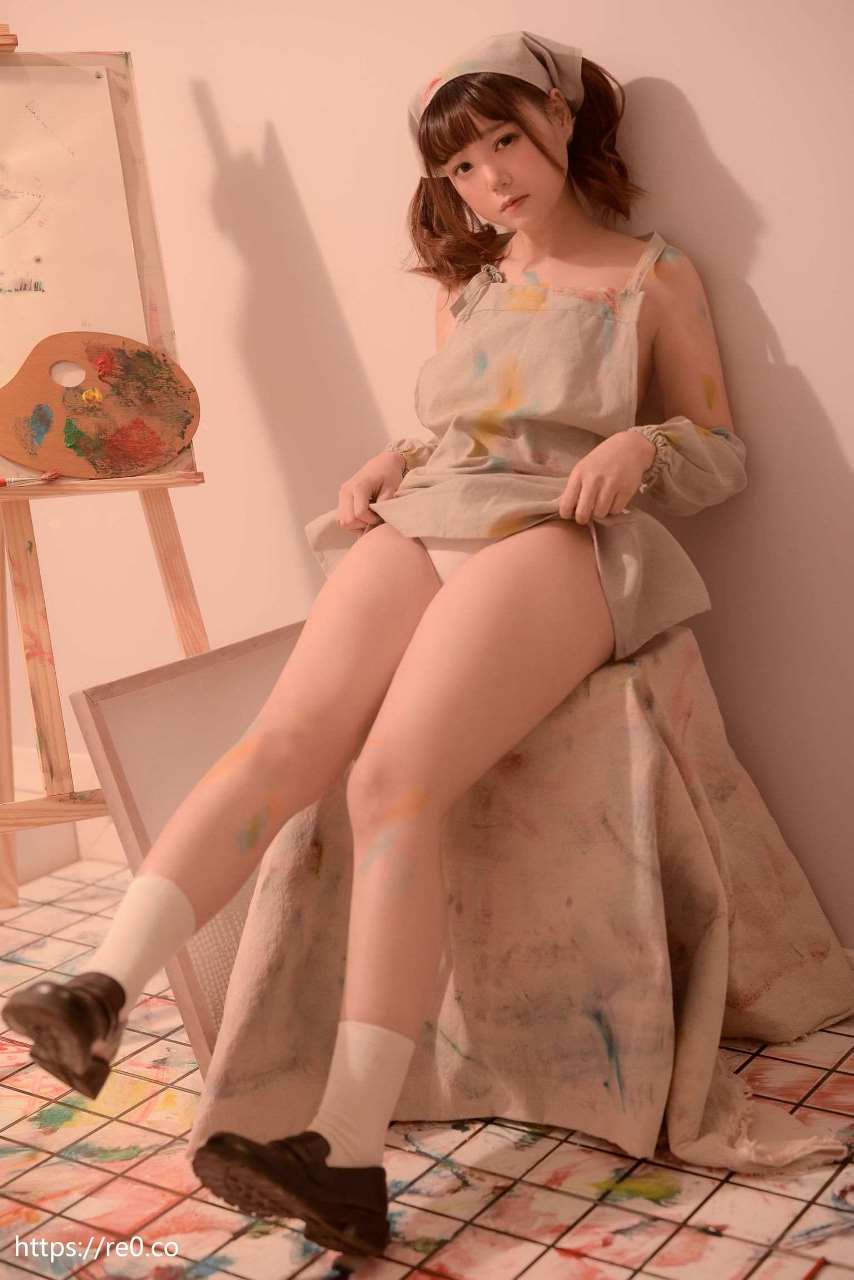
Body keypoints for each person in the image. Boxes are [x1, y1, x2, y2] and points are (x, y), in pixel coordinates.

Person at [4, 30, 752, 1259]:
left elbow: (719, 451)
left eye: (505, 140)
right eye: (460, 165)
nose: (489, 179)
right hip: (434, 512)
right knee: (284, 740)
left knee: (391, 782)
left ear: (562, 122)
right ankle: (98, 990)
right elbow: (461, 427)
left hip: (555, 532)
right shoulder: (469, 288)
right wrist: (388, 459)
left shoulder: (649, 275)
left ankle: (344, 1148)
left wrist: (646, 445)